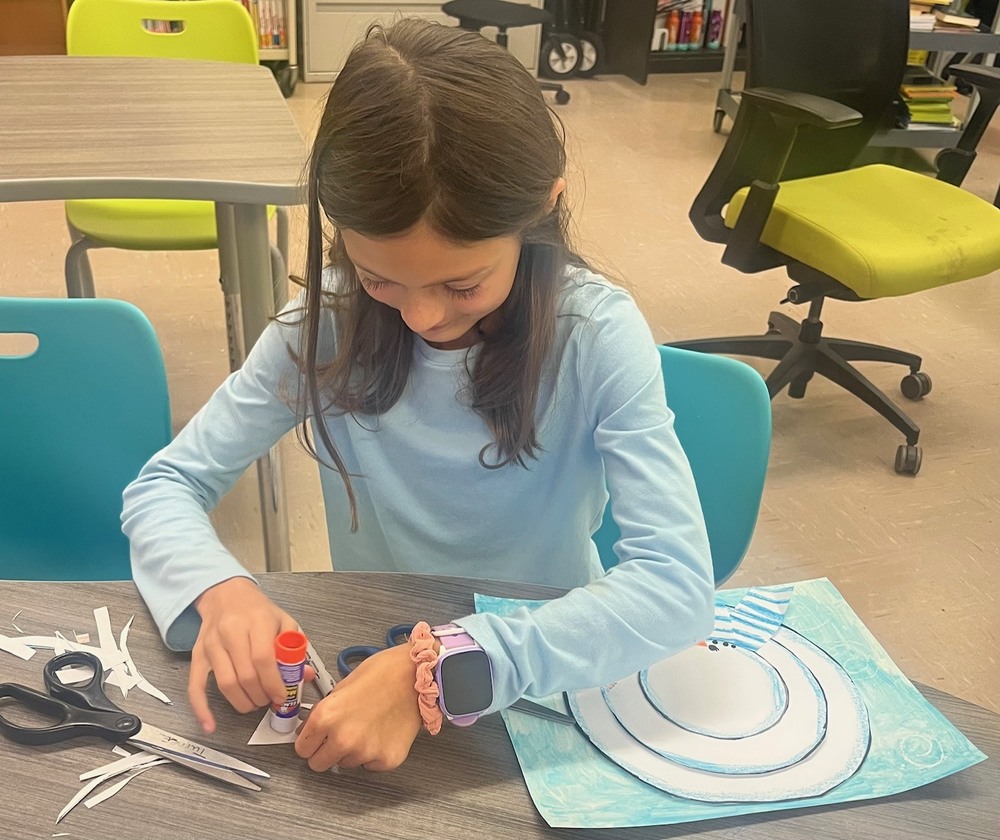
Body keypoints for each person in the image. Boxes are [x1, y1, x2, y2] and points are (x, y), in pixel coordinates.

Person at [122, 18, 714, 773]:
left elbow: (675, 585)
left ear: (540, 211)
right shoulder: (327, 327)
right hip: (370, 653)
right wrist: (221, 590)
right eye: (379, 278)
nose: (423, 317)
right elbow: (165, 486)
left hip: (553, 669)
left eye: (462, 284)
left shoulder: (593, 336)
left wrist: (440, 667)